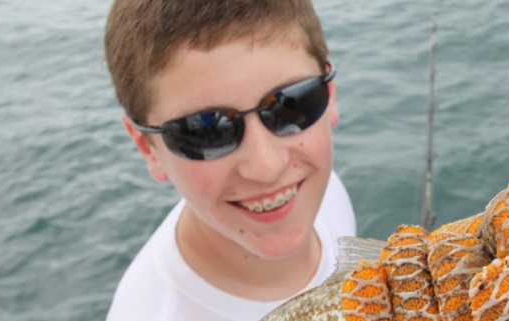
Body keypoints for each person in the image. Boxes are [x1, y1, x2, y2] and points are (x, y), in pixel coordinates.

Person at [102, 0, 356, 320]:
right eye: (206, 131)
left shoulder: (324, 193)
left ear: (329, 93)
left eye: (292, 103)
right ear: (148, 148)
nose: (267, 167)